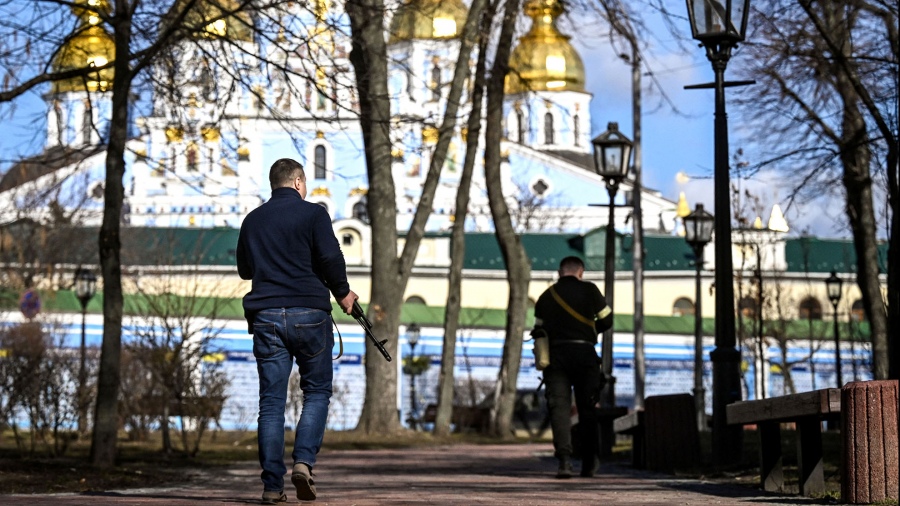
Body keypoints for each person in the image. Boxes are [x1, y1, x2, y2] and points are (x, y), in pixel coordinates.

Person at [237, 158, 357, 504]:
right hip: (310, 313)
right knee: (317, 392)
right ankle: (303, 462)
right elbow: (331, 257)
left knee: (271, 403)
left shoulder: (252, 219)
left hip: (266, 315)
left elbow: (246, 270)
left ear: (273, 184)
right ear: (299, 182)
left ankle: (272, 487)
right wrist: (343, 291)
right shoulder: (314, 214)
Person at [531, 256, 612, 478]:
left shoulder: (547, 296)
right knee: (587, 409)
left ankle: (564, 462)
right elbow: (607, 320)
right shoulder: (590, 291)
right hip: (585, 355)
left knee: (559, 409)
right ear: (581, 272)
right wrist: (588, 329)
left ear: (560, 272)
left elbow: (537, 331)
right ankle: (589, 462)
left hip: (556, 358)